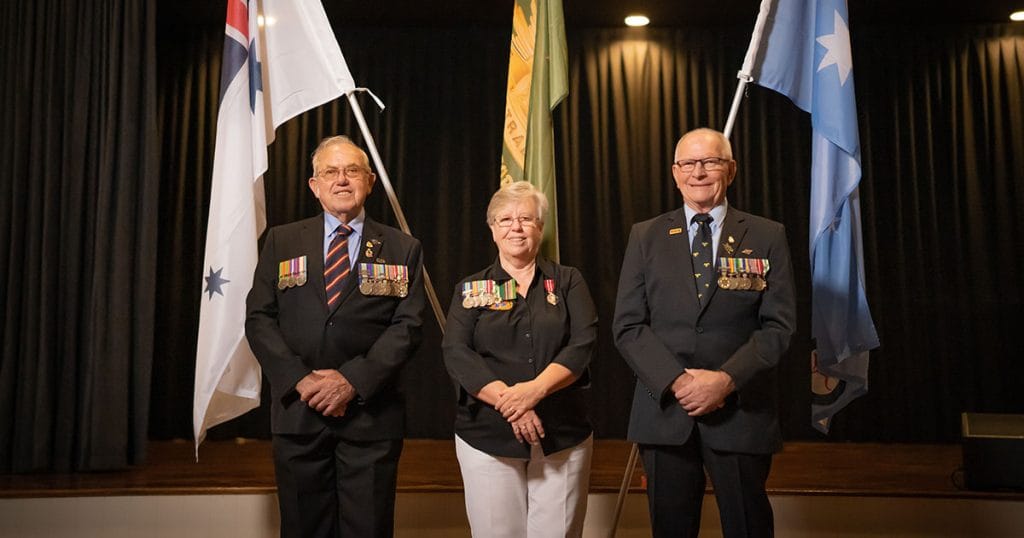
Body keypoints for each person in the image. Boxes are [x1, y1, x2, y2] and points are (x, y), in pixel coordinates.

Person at [613, 128, 796, 537]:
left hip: (740, 411)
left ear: (730, 170)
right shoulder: (646, 236)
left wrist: (725, 381)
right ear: (675, 174)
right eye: (689, 164)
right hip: (664, 413)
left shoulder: (767, 235)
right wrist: (678, 381)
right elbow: (628, 325)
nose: (699, 172)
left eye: (711, 162)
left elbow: (778, 328)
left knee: (748, 527)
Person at [245, 135, 425, 538]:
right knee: (303, 528)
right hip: (298, 414)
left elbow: (408, 327)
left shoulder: (403, 248)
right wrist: (302, 380)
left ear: (370, 181)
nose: (341, 180)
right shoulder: (281, 240)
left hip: (370, 417)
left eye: (352, 171)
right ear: (314, 184)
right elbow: (259, 319)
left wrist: (351, 381)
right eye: (330, 171)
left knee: (369, 529)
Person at [442, 181, 597, 538]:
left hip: (562, 433)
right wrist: (513, 404)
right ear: (493, 229)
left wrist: (534, 392)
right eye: (505, 219)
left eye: (526, 218)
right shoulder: (470, 288)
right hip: (487, 437)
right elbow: (456, 352)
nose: (516, 226)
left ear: (540, 228)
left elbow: (583, 343)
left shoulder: (569, 281)